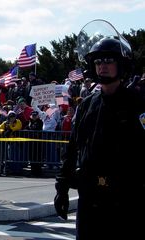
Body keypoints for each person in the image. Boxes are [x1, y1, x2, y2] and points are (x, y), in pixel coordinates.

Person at [54, 20, 145, 239]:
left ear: (121, 64)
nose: (102, 65)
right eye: (98, 61)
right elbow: (73, 147)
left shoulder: (137, 104)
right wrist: (62, 187)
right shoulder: (87, 104)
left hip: (126, 200)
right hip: (90, 197)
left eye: (109, 60)